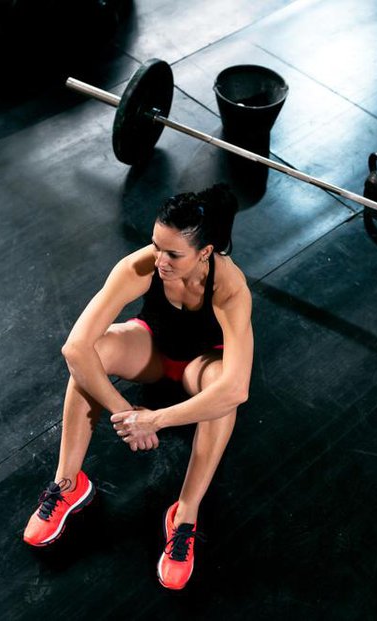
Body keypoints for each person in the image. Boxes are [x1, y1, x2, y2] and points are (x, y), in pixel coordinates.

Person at [22, 184, 253, 590]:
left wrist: (156, 421)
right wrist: (125, 414)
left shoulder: (230, 289)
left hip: (199, 368)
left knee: (222, 397)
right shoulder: (142, 266)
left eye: (173, 254)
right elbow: (75, 348)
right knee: (97, 348)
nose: (159, 260)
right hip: (152, 353)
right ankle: (68, 482)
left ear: (206, 251)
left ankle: (184, 514)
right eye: (155, 245)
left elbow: (237, 388)